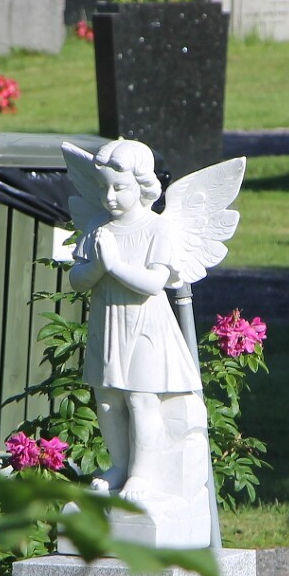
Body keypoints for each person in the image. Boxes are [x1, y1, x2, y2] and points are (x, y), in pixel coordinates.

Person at [68, 139, 201, 501]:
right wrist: (96, 266)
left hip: (145, 327)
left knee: (142, 400)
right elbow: (77, 279)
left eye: (119, 187)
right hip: (107, 323)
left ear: (142, 185)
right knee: (108, 399)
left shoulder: (156, 229)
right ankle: (121, 466)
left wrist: (114, 266)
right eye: (102, 187)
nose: (109, 196)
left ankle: (143, 474)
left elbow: (155, 282)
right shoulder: (98, 227)